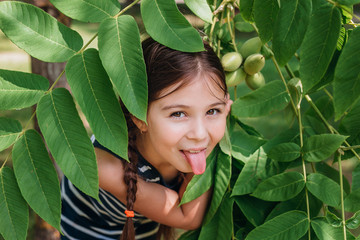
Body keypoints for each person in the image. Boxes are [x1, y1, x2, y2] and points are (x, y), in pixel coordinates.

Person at [60, 37, 232, 240]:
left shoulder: (174, 146)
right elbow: (188, 217)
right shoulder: (106, 166)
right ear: (139, 116)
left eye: (212, 110)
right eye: (178, 114)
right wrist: (205, 150)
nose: (200, 134)